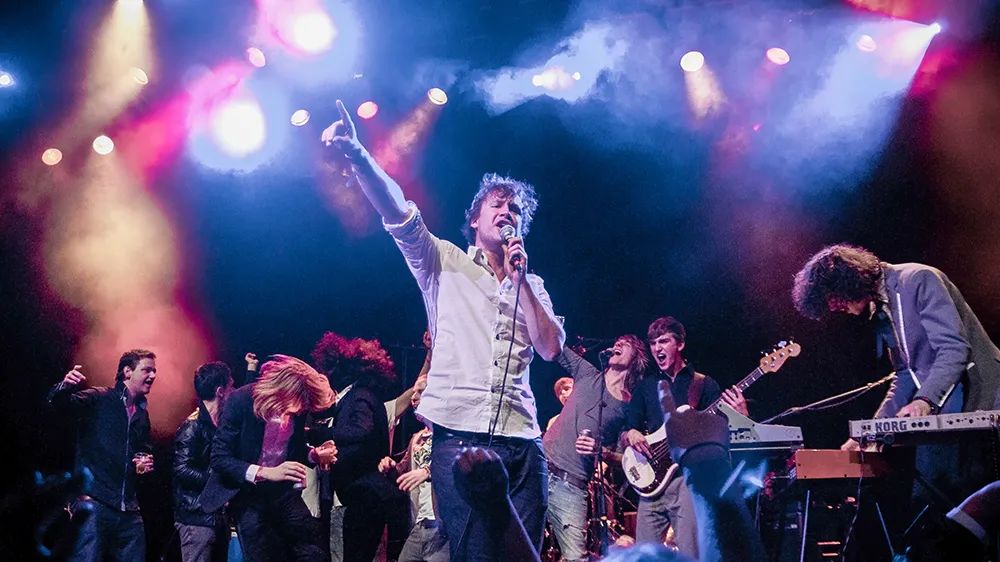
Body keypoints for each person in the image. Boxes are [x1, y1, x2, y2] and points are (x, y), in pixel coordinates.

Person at [322, 100, 565, 560]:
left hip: (524, 440)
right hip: (460, 437)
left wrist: (521, 282)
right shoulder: (443, 261)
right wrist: (357, 153)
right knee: (473, 553)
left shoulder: (531, 284)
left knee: (524, 555)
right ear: (475, 219)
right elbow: (398, 212)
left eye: (515, 209)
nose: (507, 212)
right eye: (497, 204)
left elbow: (551, 349)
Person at [792, 244, 1000, 504]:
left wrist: (924, 400)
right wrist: (868, 433)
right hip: (944, 402)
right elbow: (904, 374)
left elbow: (954, 348)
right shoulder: (880, 310)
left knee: (975, 499)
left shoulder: (918, 279)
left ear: (848, 280)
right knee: (930, 500)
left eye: (834, 298)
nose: (834, 307)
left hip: (981, 394)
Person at [199, 354, 337, 562]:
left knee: (313, 552)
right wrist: (265, 473)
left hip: (283, 494)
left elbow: (294, 449)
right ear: (282, 389)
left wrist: (314, 455)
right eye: (299, 403)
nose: (300, 410)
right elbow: (219, 458)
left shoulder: (298, 410)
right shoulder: (241, 400)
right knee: (264, 554)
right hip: (249, 495)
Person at [622, 318, 722, 557]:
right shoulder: (646, 386)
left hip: (686, 480)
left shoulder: (703, 384)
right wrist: (631, 433)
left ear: (680, 344)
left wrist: (739, 414)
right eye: (653, 343)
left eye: (664, 341)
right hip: (651, 481)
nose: (657, 348)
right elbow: (627, 430)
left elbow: (720, 432)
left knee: (690, 553)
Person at [543, 335, 649, 562]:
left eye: (626, 344)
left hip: (571, 486)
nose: (618, 344)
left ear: (636, 358)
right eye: (617, 342)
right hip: (539, 469)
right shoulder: (587, 373)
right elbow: (555, 346)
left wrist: (600, 451)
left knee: (576, 558)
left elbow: (627, 459)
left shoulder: (628, 406)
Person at [47, 349, 158, 562]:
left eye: (154, 371)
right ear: (127, 371)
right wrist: (65, 386)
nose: (153, 375)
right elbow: (58, 405)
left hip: (129, 508)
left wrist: (145, 463)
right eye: (147, 370)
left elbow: (143, 451)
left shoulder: (142, 415)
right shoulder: (100, 397)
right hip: (96, 501)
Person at [308, 332, 410, 562]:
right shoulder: (361, 396)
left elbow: (361, 430)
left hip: (366, 495)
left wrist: (318, 434)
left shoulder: (359, 397)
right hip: (365, 495)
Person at [379, 374, 447, 562]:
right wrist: (390, 467)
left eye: (421, 392)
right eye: (414, 392)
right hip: (420, 523)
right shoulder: (418, 438)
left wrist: (428, 472)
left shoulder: (450, 435)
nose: (414, 398)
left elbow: (456, 466)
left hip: (443, 525)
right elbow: (402, 473)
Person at [173, 361, 234, 562]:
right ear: (220, 391)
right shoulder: (193, 425)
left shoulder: (221, 425)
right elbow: (181, 469)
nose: (233, 392)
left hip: (216, 516)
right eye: (231, 386)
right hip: (197, 518)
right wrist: (215, 481)